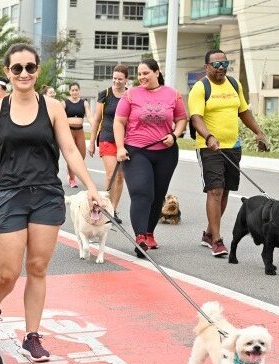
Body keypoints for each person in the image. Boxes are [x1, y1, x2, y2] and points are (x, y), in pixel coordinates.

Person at [0, 44, 102, 362]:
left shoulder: (54, 107)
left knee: (38, 267)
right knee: (8, 273)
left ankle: (32, 336)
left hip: (46, 194)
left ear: (37, 70)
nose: (24, 74)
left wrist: (91, 188)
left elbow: (70, 151)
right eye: (17, 68)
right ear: (7, 72)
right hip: (8, 195)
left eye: (30, 67)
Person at [190, 49, 269, 257]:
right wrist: (208, 137)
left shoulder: (234, 84)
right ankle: (217, 240)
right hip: (209, 147)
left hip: (233, 146)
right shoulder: (200, 88)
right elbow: (196, 118)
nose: (221, 68)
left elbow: (243, 111)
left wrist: (259, 133)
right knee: (215, 190)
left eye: (224, 63)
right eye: (216, 65)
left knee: (225, 191)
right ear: (206, 67)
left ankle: (208, 233)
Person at [114, 59, 187, 257]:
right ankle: (139, 238)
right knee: (141, 192)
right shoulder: (130, 95)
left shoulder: (173, 94)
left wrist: (174, 135)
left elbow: (181, 119)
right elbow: (119, 122)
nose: (142, 77)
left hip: (166, 153)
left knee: (157, 195)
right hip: (136, 151)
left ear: (156, 72)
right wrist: (120, 147)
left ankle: (149, 232)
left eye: (146, 73)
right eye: (139, 74)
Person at [89, 64, 129, 224]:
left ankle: (113, 209)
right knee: (112, 174)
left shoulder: (130, 95)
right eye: (114, 78)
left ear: (126, 79)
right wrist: (92, 142)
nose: (117, 82)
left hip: (125, 141)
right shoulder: (105, 94)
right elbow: (97, 119)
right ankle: (105, 209)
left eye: (120, 79)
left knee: (120, 177)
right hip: (106, 137)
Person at [62, 82, 92, 188]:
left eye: (76, 90)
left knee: (81, 155)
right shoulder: (65, 103)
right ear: (70, 91)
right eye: (72, 90)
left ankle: (72, 173)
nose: (74, 92)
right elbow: (60, 117)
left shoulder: (84, 103)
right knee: (71, 156)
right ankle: (72, 178)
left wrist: (94, 126)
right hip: (69, 131)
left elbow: (89, 116)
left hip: (80, 131)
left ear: (79, 91)